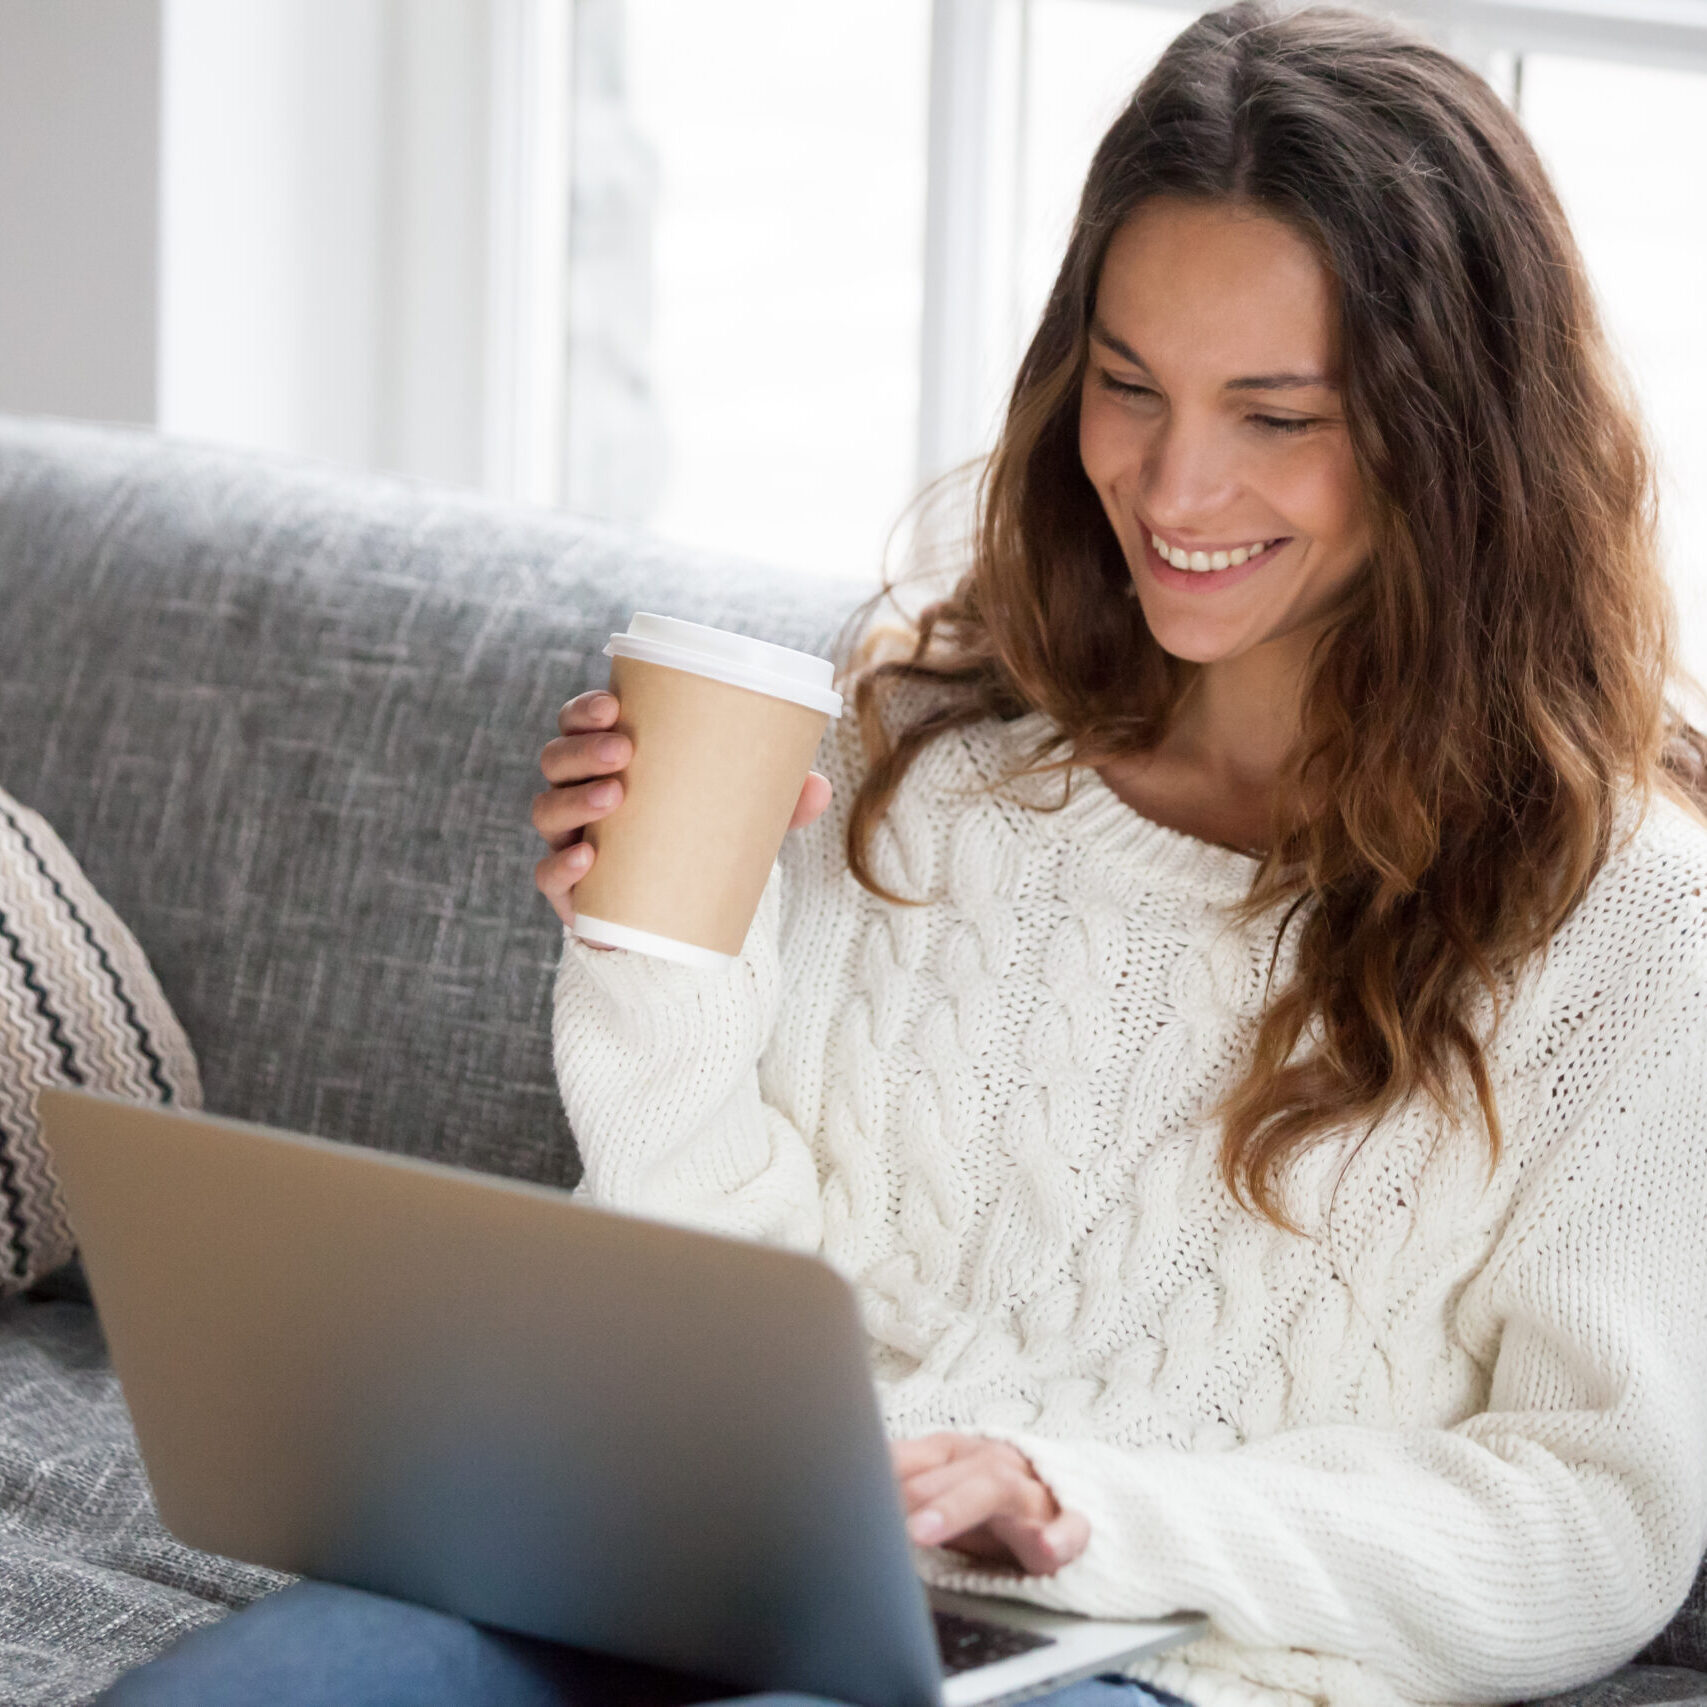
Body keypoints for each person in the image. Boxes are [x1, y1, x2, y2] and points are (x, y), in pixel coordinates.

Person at [100, 4, 1707, 1705]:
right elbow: (717, 1282)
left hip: (1166, 1658)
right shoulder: (925, 757)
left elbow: (1592, 1518)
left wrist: (1084, 1508)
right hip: (715, 1556)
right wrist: (659, 954)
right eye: (1129, 384)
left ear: (1452, 434)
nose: (1172, 481)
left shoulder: (1630, 924)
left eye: (1277, 415)